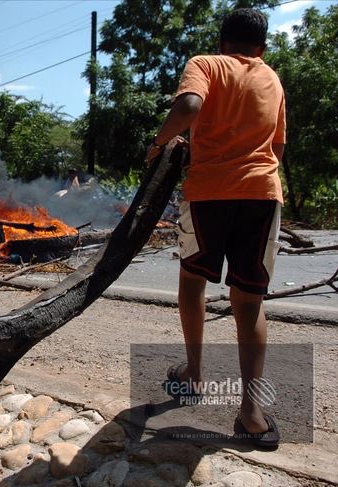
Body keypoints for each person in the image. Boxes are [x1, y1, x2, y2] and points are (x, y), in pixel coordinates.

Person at [147, 8, 285, 449]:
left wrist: (158, 144)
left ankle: (194, 374)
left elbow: (190, 105)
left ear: (223, 41)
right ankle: (252, 415)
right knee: (250, 301)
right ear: (260, 48)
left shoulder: (206, 64)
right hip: (261, 195)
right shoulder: (273, 79)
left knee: (193, 282)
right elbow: (277, 144)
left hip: (207, 195)